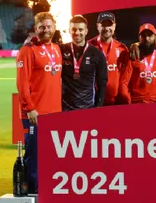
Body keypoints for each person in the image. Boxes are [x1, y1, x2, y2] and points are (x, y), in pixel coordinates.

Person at [16, 12, 63, 194]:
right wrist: (30, 109)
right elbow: (22, 83)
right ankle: (34, 191)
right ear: (35, 29)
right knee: (34, 154)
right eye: (42, 27)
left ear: (54, 28)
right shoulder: (27, 50)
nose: (46, 30)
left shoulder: (57, 49)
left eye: (49, 26)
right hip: (35, 114)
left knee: (50, 155)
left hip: (55, 113)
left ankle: (47, 188)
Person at [60, 15, 107, 111]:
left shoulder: (97, 54)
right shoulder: (61, 49)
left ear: (86, 31)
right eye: (74, 29)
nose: (77, 33)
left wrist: (99, 106)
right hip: (65, 109)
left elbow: (102, 82)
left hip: (88, 108)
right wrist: (32, 42)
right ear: (69, 31)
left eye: (80, 29)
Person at [87, 12, 130, 106]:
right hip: (94, 102)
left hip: (115, 102)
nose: (107, 29)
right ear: (97, 26)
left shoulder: (122, 48)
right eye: (103, 25)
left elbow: (125, 77)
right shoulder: (88, 46)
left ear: (114, 26)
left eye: (109, 25)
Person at [119, 23, 156, 103]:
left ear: (155, 37)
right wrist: (127, 101)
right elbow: (124, 82)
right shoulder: (132, 55)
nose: (146, 38)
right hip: (139, 102)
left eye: (149, 35)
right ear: (139, 38)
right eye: (143, 36)